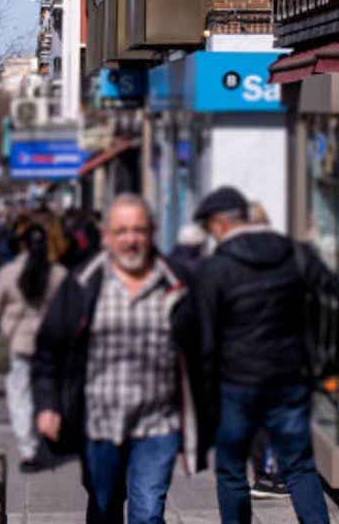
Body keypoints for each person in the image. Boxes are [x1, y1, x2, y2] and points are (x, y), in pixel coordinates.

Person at [32, 194, 205, 524]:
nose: (131, 239)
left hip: (157, 422)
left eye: (139, 230)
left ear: (152, 233)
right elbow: (50, 348)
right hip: (98, 422)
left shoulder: (178, 283)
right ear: (107, 237)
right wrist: (48, 404)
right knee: (104, 503)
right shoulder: (83, 283)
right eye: (122, 231)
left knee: (148, 511)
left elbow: (204, 347)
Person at [190, 186, 331, 524]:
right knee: (298, 466)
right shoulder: (296, 254)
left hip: (237, 382)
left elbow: (204, 337)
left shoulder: (216, 267)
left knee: (231, 470)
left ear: (221, 224)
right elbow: (330, 302)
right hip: (290, 378)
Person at [0, 220, 69, 471]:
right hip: (51, 345)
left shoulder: (7, 274)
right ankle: (48, 440)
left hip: (18, 343)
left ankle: (27, 449)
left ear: (21, 245)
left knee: (19, 396)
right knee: (49, 393)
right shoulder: (59, 275)